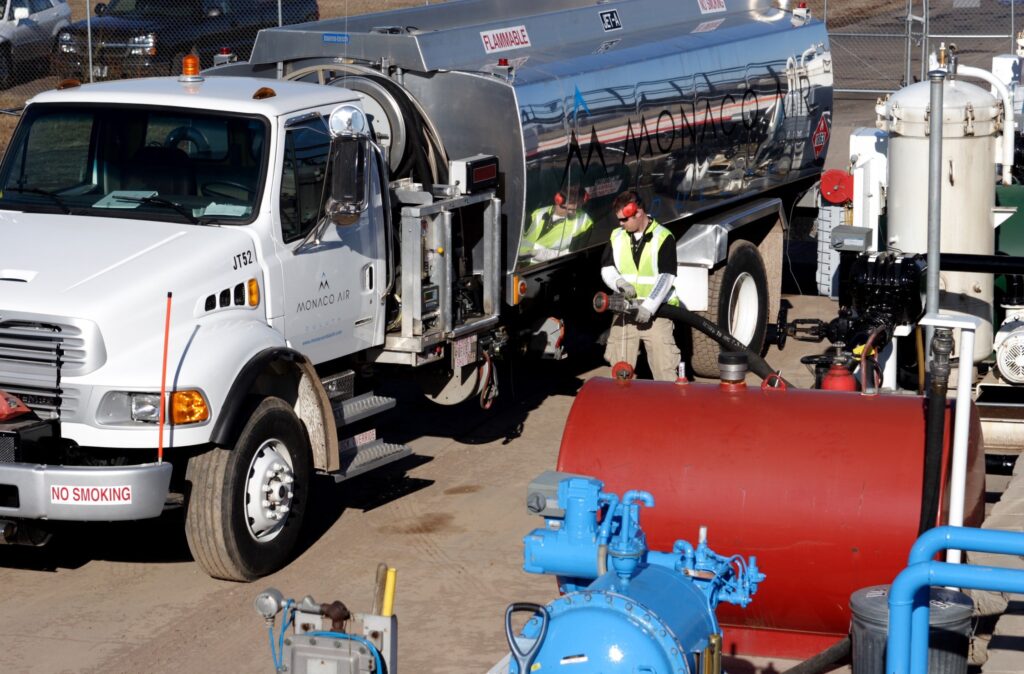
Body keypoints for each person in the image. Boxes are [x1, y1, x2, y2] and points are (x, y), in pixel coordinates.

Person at [600, 190, 681, 381]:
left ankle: (668, 410)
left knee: (665, 371)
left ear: (639, 213)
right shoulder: (617, 236)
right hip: (625, 312)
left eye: (624, 220)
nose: (620, 224)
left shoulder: (663, 237)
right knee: (620, 373)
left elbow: (666, 276)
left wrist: (649, 306)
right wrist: (619, 282)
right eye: (618, 219)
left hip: (657, 314)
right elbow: (607, 267)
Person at [519, 187, 594, 263]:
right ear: (558, 201)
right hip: (518, 264)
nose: (573, 213)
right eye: (570, 209)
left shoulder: (583, 223)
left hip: (545, 268)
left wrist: (537, 253)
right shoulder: (537, 213)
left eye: (576, 209)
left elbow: (573, 256)